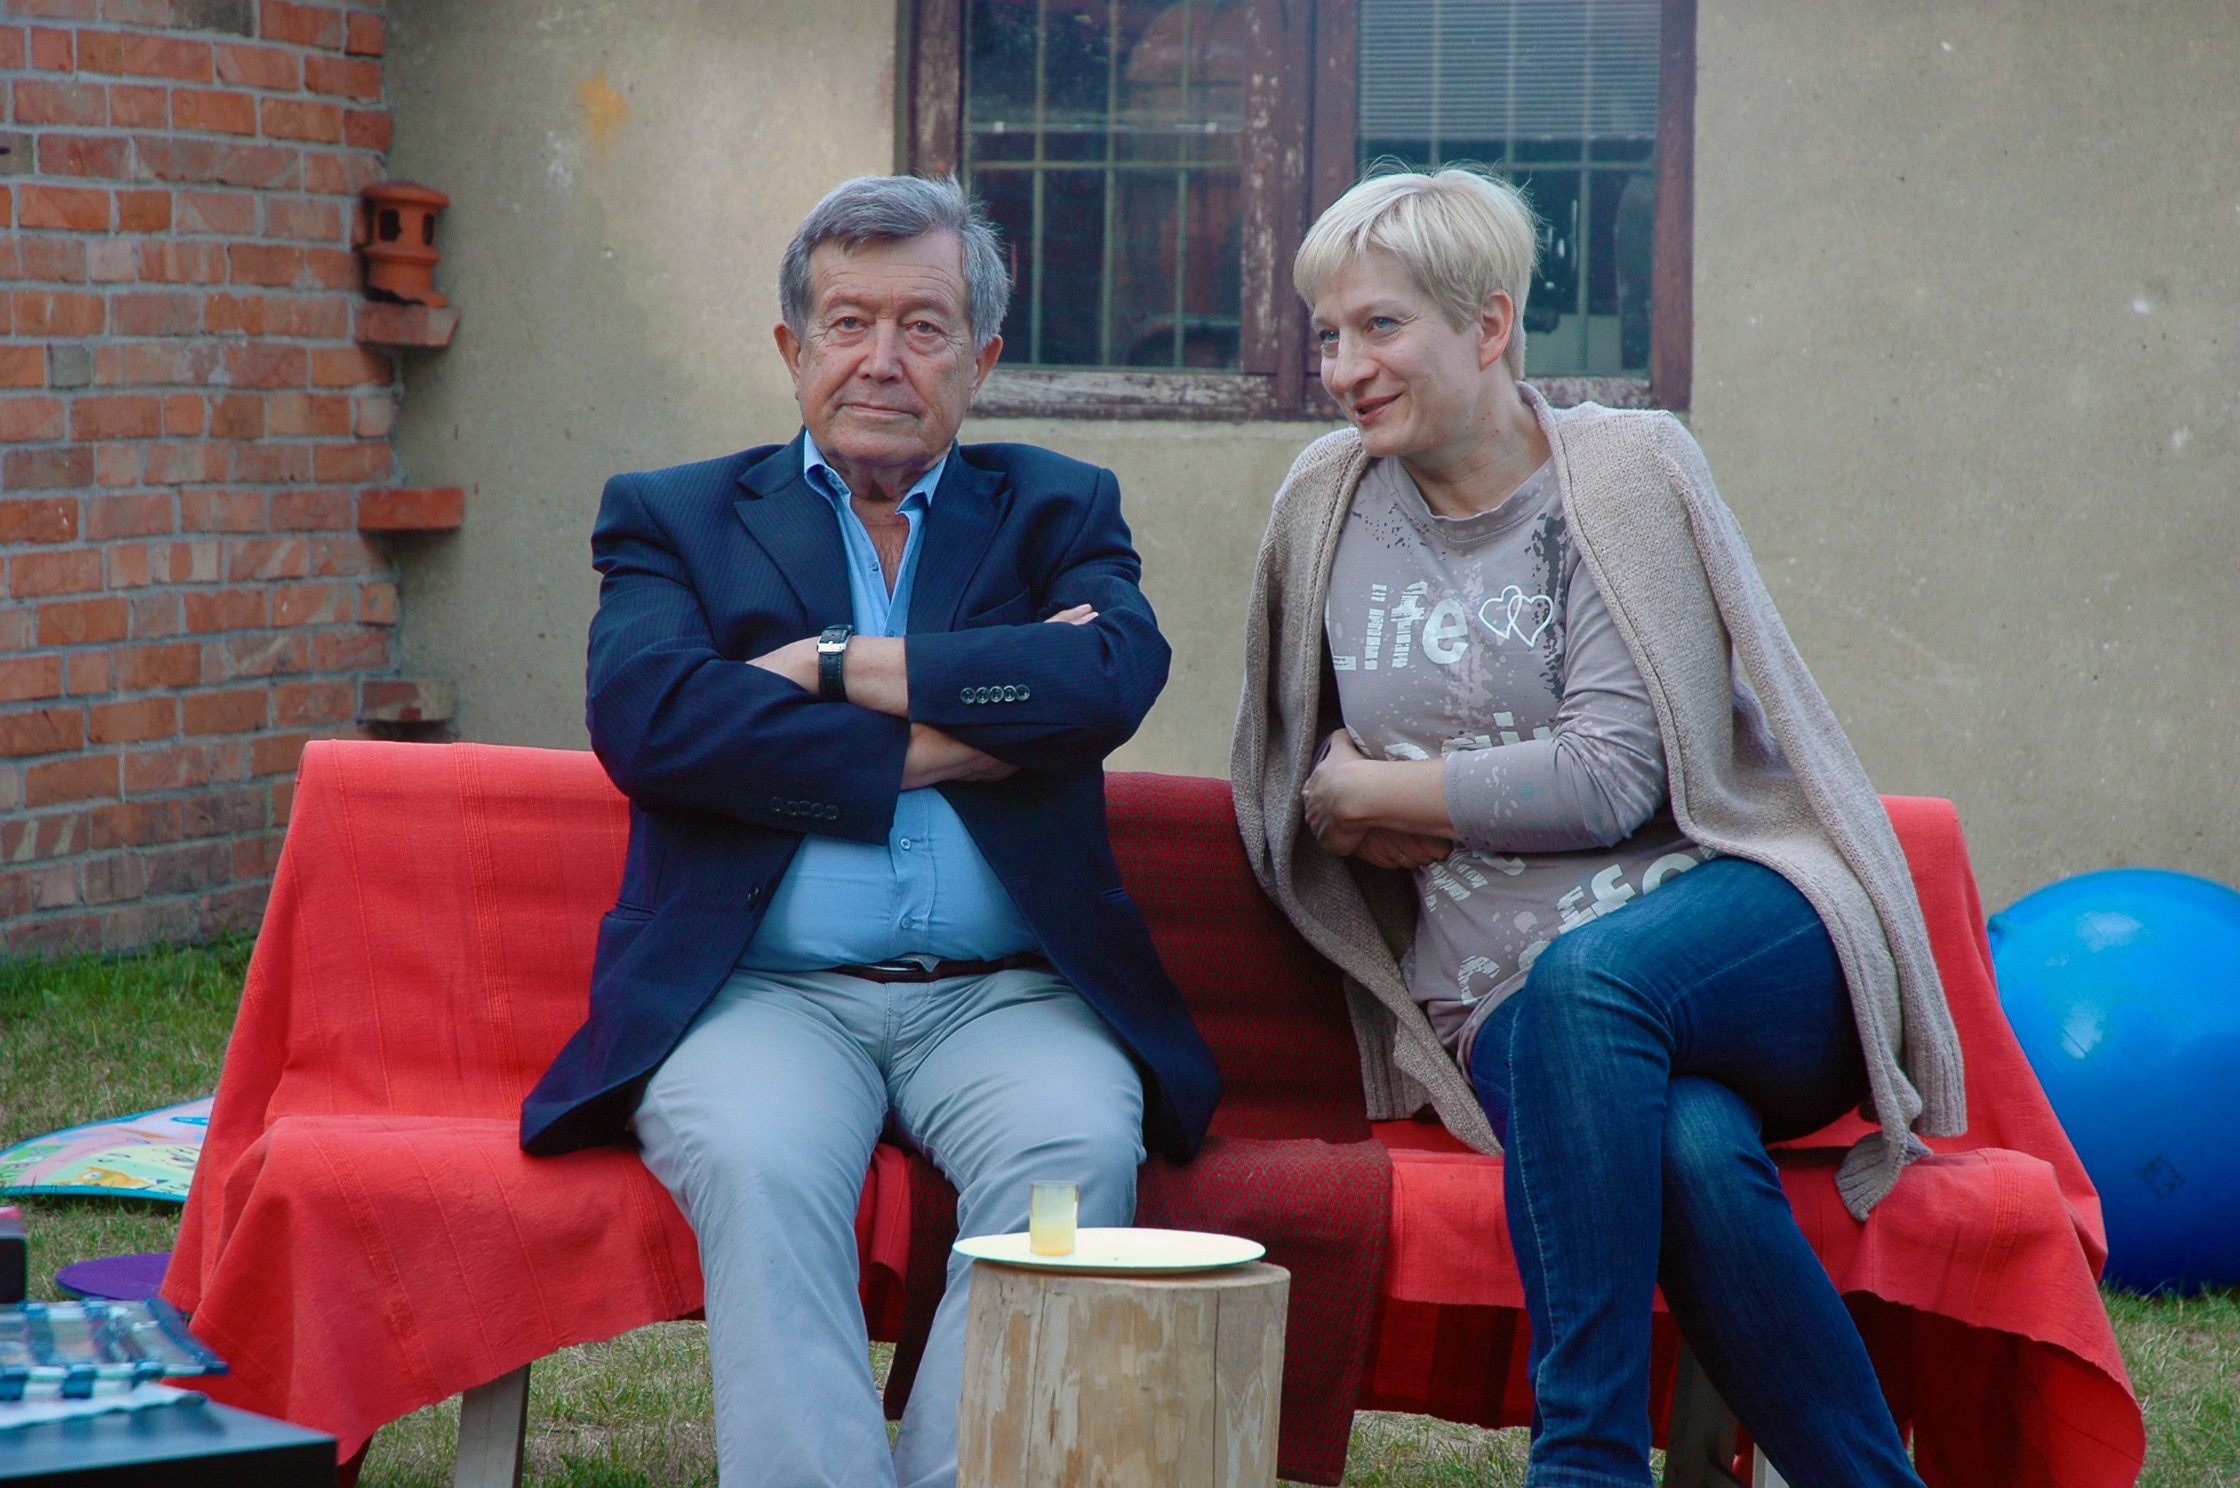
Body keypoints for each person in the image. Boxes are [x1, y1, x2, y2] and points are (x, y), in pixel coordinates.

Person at [1231, 168, 1966, 1487]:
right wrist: (1332, 809)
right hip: (1496, 998)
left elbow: (1612, 777)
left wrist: (1381, 798)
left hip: (1734, 928)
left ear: (1490, 324)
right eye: (1327, 335)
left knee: (1591, 982)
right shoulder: (1325, 502)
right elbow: (1285, 764)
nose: (1342, 369)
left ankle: (1584, 1463)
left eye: (1381, 327)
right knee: (1688, 1146)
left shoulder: (1623, 472)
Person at [519, 174, 1219, 1488]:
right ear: (795, 347)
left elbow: (1104, 680)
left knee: (1074, 1157)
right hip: (761, 996)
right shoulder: (676, 516)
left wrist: (825, 665)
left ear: (982, 359)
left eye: (923, 327)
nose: (881, 360)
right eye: (848, 323)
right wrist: (971, 728)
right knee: (759, 1161)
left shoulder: (1057, 507)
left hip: (1008, 997)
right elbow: (655, 723)